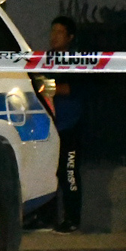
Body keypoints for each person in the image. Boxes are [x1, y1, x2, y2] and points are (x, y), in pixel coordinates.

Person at [49, 15, 84, 233]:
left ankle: (72, 219)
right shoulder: (48, 60)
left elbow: (73, 89)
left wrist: (49, 88)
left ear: (70, 37)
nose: (54, 37)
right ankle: (46, 217)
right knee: (49, 171)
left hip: (71, 126)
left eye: (59, 32)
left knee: (69, 172)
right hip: (51, 125)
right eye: (52, 32)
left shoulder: (76, 60)